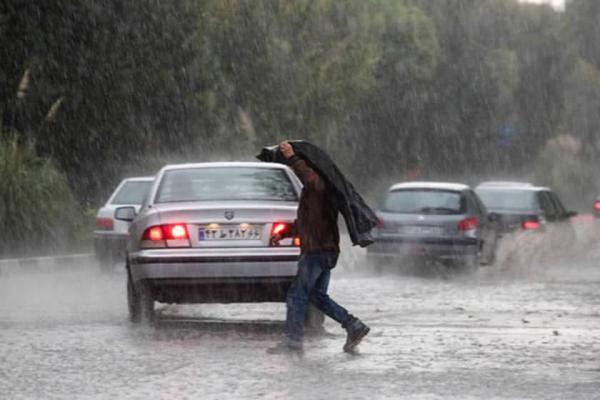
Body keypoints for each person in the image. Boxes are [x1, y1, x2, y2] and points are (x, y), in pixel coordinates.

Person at [267, 141, 370, 355]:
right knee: (316, 296)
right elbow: (307, 220)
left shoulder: (319, 184)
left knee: (297, 295)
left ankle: (293, 343)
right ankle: (353, 325)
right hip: (325, 249)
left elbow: (310, 178)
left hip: (317, 250)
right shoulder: (317, 190)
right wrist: (284, 233)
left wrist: (293, 157)